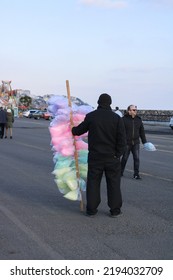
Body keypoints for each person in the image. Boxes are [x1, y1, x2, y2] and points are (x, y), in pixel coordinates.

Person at [72, 93, 126, 217]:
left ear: (98, 102)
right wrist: (117, 155)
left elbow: (79, 130)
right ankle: (115, 210)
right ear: (110, 103)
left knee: (93, 183)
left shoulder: (91, 116)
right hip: (112, 158)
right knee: (114, 184)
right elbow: (122, 141)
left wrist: (72, 129)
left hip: (95, 157)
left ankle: (91, 210)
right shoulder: (116, 118)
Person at [121, 104, 147, 179]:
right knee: (124, 158)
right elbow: (120, 132)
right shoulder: (123, 119)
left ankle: (136, 174)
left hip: (136, 143)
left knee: (136, 158)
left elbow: (142, 131)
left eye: (136, 109)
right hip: (127, 143)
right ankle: (120, 172)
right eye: (133, 110)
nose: (135, 111)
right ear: (129, 111)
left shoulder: (139, 119)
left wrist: (144, 142)